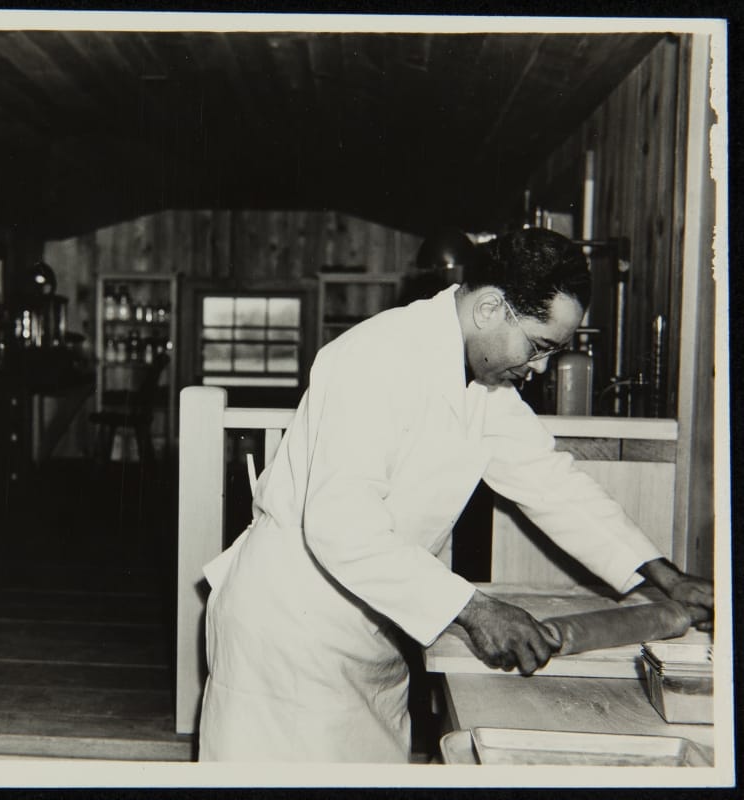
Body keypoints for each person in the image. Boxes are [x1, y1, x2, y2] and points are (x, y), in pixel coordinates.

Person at [198, 227, 714, 763]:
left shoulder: (485, 382)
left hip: (375, 633)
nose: (539, 368)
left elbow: (550, 480)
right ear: (491, 308)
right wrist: (474, 609)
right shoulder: (376, 357)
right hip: (291, 636)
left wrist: (664, 575)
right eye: (539, 346)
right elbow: (340, 525)